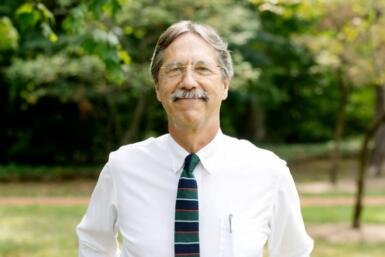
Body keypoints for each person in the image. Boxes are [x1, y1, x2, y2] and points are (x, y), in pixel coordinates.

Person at [77, 20, 313, 257]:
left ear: (224, 85)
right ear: (158, 88)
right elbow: (93, 244)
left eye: (202, 69)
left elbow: (293, 252)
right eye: (174, 69)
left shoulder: (269, 172)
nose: (188, 82)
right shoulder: (122, 168)